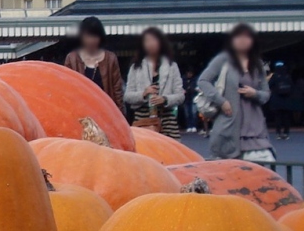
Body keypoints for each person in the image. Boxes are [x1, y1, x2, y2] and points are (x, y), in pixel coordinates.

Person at [198, 23, 274, 162]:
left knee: (260, 170)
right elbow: (203, 81)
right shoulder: (223, 60)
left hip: (254, 127)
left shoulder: (257, 64)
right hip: (229, 124)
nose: (243, 41)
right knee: (230, 170)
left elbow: (266, 94)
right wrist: (221, 101)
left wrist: (254, 93)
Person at [124, 27, 185, 137]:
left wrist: (165, 99)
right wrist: (143, 93)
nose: (150, 44)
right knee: (144, 151)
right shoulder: (136, 67)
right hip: (143, 119)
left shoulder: (172, 66)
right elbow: (127, 96)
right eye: (147, 41)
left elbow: (180, 95)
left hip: (167, 120)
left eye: (154, 40)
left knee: (169, 152)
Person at [63, 16, 124, 113]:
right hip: (81, 112)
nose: (91, 40)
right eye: (88, 36)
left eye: (95, 36)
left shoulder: (110, 58)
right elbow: (66, 89)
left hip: (105, 112)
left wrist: (120, 115)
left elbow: (117, 90)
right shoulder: (72, 58)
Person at [268, 61, 294, 141]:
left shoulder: (275, 76)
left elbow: (269, 85)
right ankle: (286, 133)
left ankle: (278, 133)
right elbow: (292, 87)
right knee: (286, 117)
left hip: (276, 100)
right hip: (286, 100)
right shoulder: (287, 76)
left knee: (278, 117)